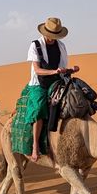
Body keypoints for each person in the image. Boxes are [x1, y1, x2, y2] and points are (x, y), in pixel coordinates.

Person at [26, 17, 79, 161]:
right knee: (38, 109)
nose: (52, 38)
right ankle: (35, 147)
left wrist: (70, 70)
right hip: (39, 83)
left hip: (58, 81)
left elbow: (62, 68)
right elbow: (37, 70)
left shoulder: (60, 46)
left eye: (55, 36)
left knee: (78, 98)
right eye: (50, 35)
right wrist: (54, 71)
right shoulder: (35, 45)